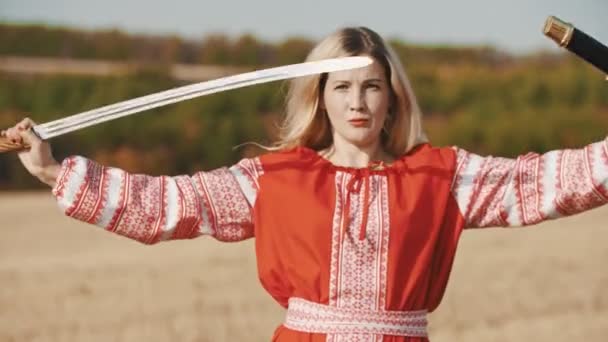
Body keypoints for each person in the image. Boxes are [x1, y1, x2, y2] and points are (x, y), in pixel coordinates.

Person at [2, 26, 607, 342]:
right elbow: (170, 205)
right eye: (342, 87)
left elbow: (546, 181)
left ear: (393, 97)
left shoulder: (441, 176)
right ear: (321, 97)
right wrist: (57, 170)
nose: (358, 102)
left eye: (371, 85)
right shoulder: (276, 179)